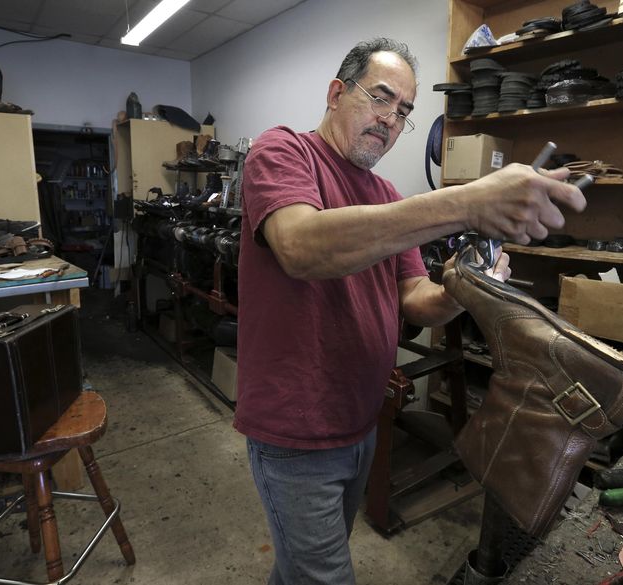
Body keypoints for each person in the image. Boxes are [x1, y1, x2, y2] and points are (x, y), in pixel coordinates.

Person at [234, 38, 586, 584]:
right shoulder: (283, 152)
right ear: (335, 93)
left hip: (361, 422)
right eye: (380, 99)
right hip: (295, 431)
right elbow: (300, 246)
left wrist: (466, 288)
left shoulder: (387, 194)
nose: (390, 120)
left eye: (403, 113)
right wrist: (466, 202)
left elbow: (418, 302)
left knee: (301, 569)